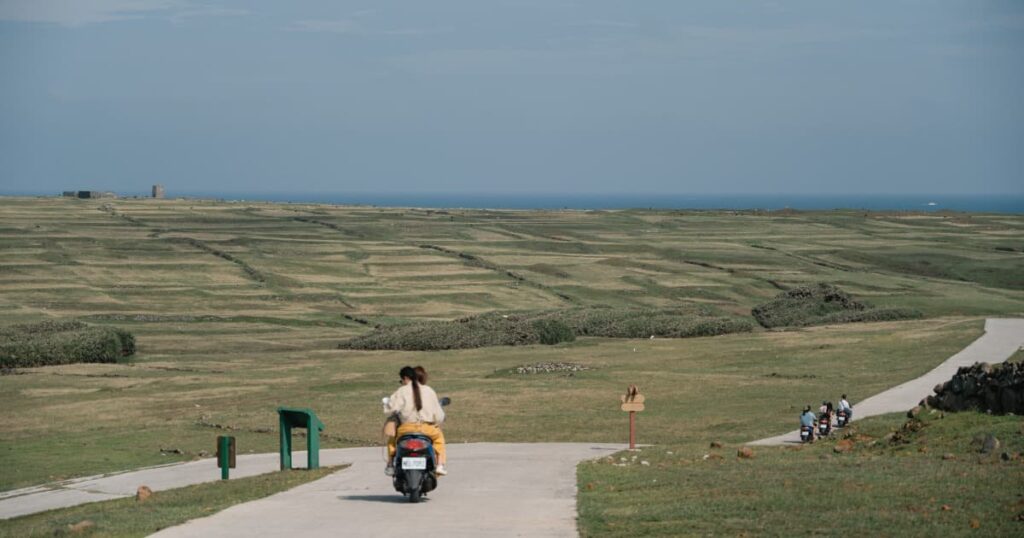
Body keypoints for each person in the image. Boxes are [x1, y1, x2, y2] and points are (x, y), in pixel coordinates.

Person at [385, 366, 447, 476]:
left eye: (402, 380)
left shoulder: (401, 391)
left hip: (406, 429)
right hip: (426, 429)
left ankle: (390, 465)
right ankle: (440, 465)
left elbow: (391, 409)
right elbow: (438, 415)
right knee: (439, 439)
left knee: (392, 439)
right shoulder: (429, 390)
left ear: (405, 378)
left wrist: (387, 407)